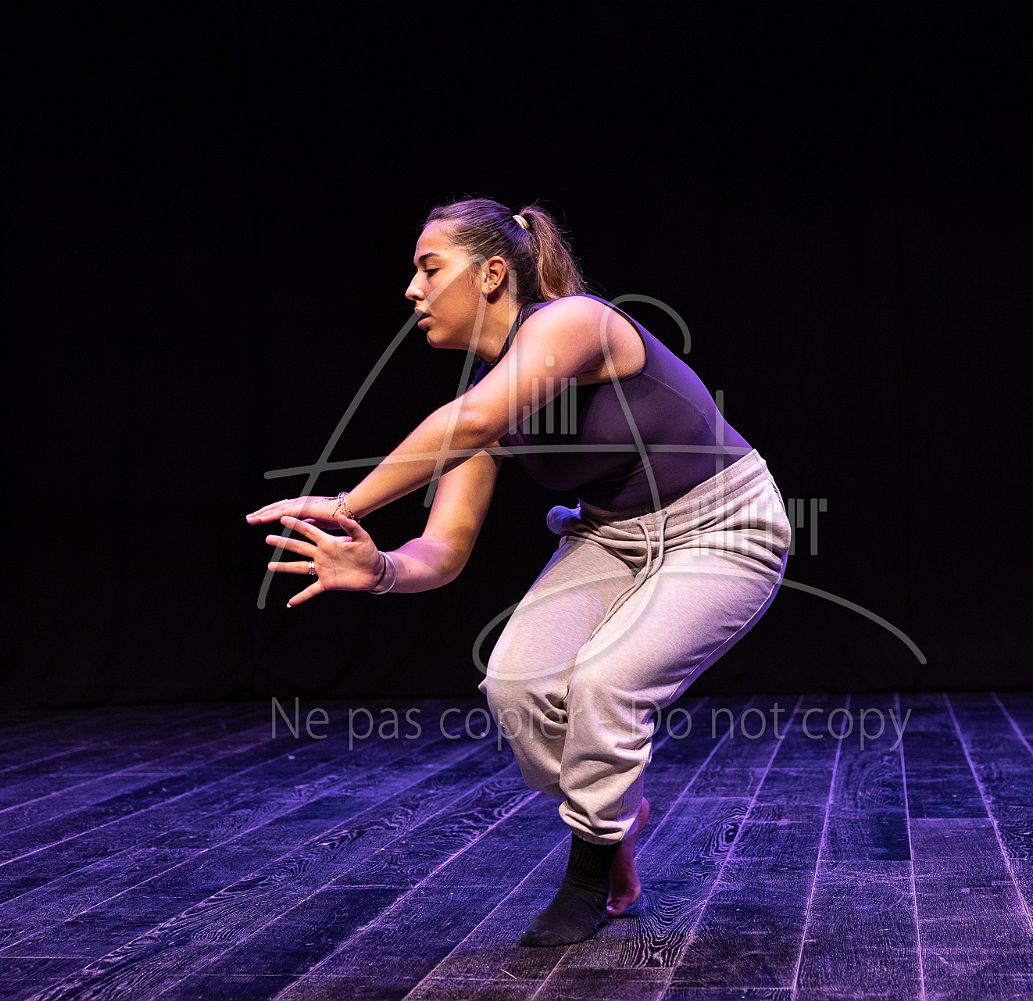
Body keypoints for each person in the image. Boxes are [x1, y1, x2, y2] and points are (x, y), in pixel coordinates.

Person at [245, 197, 791, 947]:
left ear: (493, 273)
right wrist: (379, 568)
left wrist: (347, 503)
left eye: (429, 268)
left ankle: (590, 876)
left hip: (723, 525)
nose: (412, 289)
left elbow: (468, 423)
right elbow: (444, 550)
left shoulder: (573, 322)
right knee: (516, 684)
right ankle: (614, 817)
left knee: (605, 682)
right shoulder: (486, 395)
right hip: (610, 537)